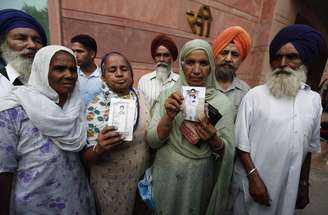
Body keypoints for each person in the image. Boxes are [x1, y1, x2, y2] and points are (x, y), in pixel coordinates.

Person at [230, 24, 325, 215]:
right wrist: (254, 179)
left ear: (303, 60)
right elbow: (241, 144)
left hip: (288, 190)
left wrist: (304, 184)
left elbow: (309, 148)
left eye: (291, 57)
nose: (282, 63)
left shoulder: (313, 100)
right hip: (252, 185)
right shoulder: (255, 96)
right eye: (277, 57)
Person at [0, 45, 96, 214]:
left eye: (73, 70)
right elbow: (3, 171)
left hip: (78, 202)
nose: (69, 75)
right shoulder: (14, 109)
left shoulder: (76, 108)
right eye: (59, 69)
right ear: (41, 70)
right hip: (35, 206)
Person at [147, 39, 235, 215]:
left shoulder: (222, 102)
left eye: (203, 63)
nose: (196, 70)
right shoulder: (168, 95)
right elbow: (152, 141)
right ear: (182, 64)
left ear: (211, 67)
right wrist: (169, 116)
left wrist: (214, 140)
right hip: (166, 175)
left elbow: (228, 151)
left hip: (199, 182)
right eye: (190, 62)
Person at [82, 51, 150, 215]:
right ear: (103, 77)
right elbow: (85, 158)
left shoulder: (141, 97)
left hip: (141, 179)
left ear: (131, 75)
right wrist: (99, 148)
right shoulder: (95, 107)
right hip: (111, 183)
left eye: (124, 69)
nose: (119, 74)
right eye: (112, 70)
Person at [0, 8, 47, 97]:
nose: (32, 45)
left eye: (37, 40)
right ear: (2, 44)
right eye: (21, 39)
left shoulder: (52, 81)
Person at [212, 26, 252, 118]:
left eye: (234, 55)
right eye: (224, 53)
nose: (228, 59)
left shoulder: (246, 92)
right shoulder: (201, 83)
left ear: (241, 60)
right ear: (215, 55)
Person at [138, 34, 179, 109]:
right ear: (154, 58)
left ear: (172, 58)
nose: (161, 59)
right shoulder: (144, 81)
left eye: (166, 55)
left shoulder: (180, 81)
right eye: (158, 55)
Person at [71, 34, 102, 106]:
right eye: (73, 51)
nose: (75, 55)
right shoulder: (71, 75)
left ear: (92, 54)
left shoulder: (104, 77)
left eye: (80, 51)